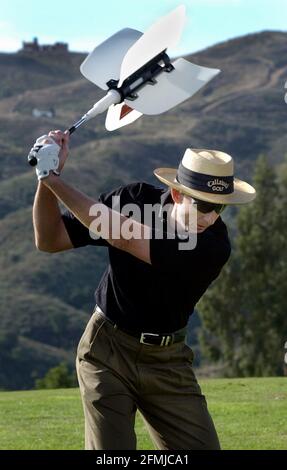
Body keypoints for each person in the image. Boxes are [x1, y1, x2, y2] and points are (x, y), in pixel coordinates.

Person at [31, 130, 256, 450]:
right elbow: (49, 240)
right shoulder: (132, 200)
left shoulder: (213, 246)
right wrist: (45, 177)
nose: (210, 217)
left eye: (219, 207)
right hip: (105, 352)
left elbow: (123, 236)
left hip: (168, 361)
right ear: (178, 194)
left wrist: (52, 177)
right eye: (203, 204)